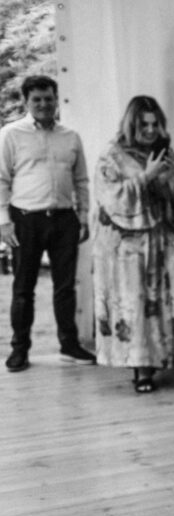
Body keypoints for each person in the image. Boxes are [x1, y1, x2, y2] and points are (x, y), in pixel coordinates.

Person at [93, 95, 174, 394]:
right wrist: (146, 177)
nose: (151, 130)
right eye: (144, 124)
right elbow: (110, 200)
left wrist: (167, 185)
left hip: (163, 238)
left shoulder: (166, 154)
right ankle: (143, 368)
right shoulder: (112, 156)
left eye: (156, 124)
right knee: (138, 303)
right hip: (127, 248)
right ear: (132, 124)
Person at [0, 75, 95, 372]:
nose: (44, 104)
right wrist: (4, 222)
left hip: (64, 219)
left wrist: (83, 217)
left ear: (56, 100)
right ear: (26, 102)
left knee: (65, 287)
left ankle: (69, 345)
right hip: (26, 219)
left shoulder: (71, 137)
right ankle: (20, 349)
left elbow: (81, 181)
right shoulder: (10, 134)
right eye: (37, 99)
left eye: (49, 98)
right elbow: (1, 180)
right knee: (23, 288)